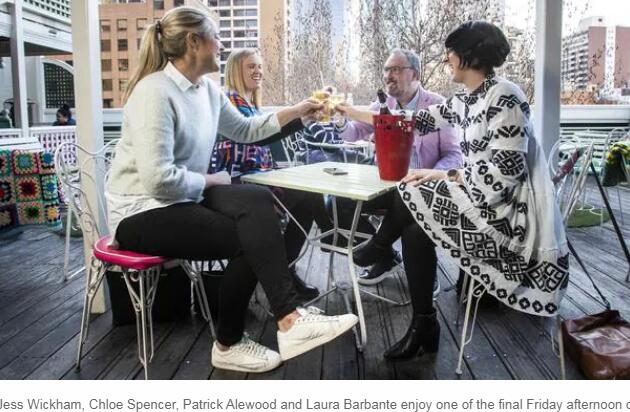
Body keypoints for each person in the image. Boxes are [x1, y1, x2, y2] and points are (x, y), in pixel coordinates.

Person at [106, 7, 357, 373]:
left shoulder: (206, 91)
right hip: (142, 209)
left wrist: (299, 112)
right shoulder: (154, 93)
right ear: (194, 42)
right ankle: (230, 342)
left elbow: (246, 129)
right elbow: (157, 179)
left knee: (257, 200)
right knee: (247, 238)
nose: (222, 44)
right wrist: (210, 180)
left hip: (183, 196)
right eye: (217, 36)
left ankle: (289, 319)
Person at [338, 20, 569, 360]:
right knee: (414, 225)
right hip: (477, 199)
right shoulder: (466, 99)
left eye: (449, 53)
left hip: (506, 216)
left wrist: (443, 175)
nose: (446, 60)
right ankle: (424, 324)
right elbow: (407, 122)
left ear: (466, 56)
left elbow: (507, 173)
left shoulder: (505, 96)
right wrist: (347, 110)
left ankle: (380, 245)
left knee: (410, 189)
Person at [210, 48, 336, 300]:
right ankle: (326, 237)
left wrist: (305, 118)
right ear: (235, 70)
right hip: (237, 183)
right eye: (251, 66)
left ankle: (293, 263)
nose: (258, 71)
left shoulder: (250, 105)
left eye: (259, 66)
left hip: (259, 177)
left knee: (306, 192)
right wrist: (299, 111)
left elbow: (268, 132)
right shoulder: (231, 101)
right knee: (306, 193)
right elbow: (255, 136)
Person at [337, 48, 462, 287]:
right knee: (337, 202)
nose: (388, 75)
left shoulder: (437, 105)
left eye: (395, 69)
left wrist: (429, 177)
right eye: (386, 70)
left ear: (415, 74)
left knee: (413, 222)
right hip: (386, 184)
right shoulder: (382, 104)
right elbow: (353, 133)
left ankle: (409, 265)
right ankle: (386, 257)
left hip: (421, 187)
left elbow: (453, 155)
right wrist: (341, 119)